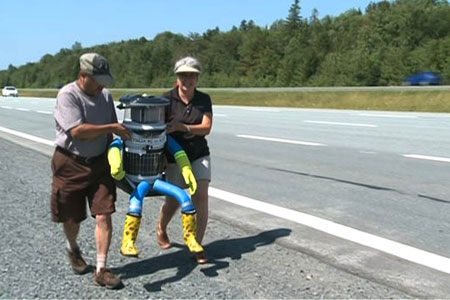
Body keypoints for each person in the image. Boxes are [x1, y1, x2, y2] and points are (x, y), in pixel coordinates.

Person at [50, 53, 130, 289]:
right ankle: (72, 248)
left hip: (99, 163)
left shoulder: (105, 96)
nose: (102, 85)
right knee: (71, 217)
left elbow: (113, 131)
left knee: (104, 213)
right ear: (84, 76)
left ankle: (101, 269)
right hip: (70, 163)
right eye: (98, 79)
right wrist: (112, 127)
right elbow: (77, 131)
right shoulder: (68, 95)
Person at [156, 56, 213, 264]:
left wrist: (185, 128)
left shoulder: (203, 99)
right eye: (184, 75)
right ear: (177, 78)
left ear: (197, 79)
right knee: (174, 200)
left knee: (201, 196)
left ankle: (196, 243)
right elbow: (158, 131)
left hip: (198, 153)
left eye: (192, 76)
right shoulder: (166, 99)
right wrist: (161, 156)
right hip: (174, 156)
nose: (188, 79)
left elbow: (206, 127)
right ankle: (161, 227)